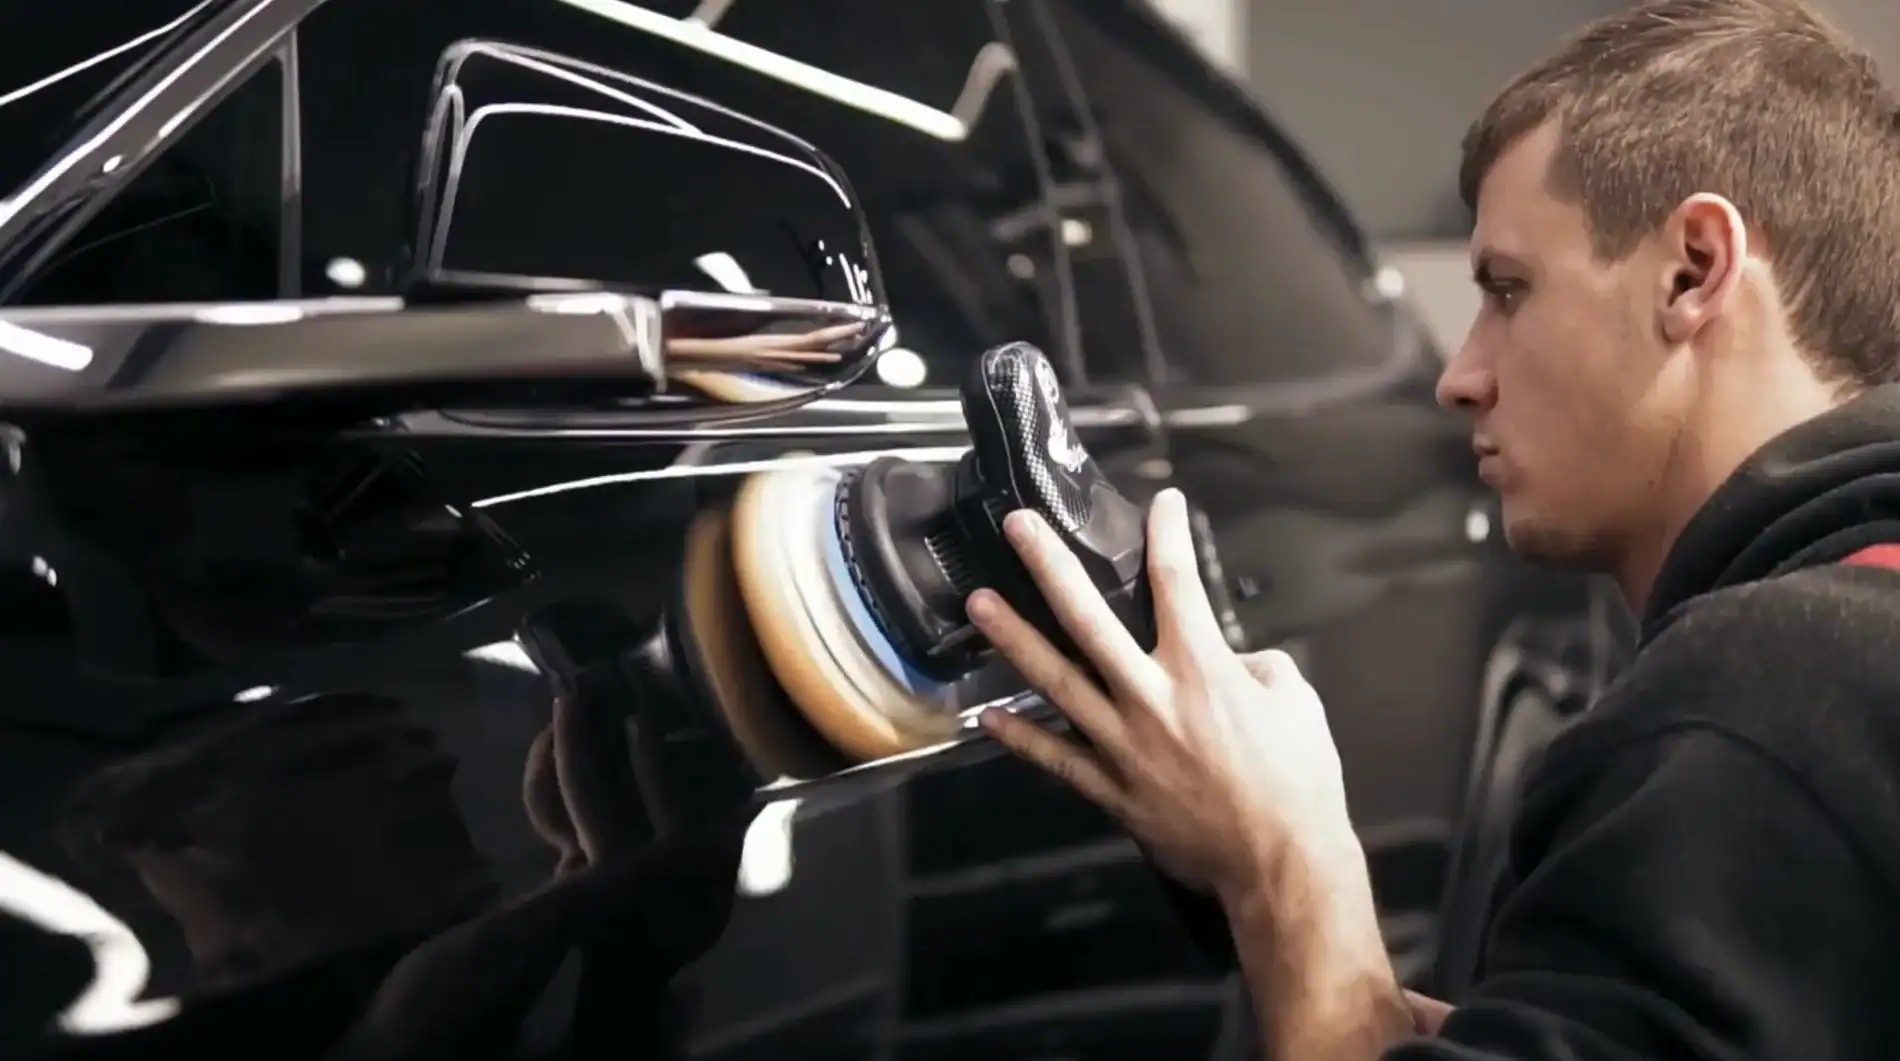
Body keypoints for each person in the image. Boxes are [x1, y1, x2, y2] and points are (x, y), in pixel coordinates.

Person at [965, 0, 1900, 1058]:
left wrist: (1284, 865)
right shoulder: (1850, 659)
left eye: (1509, 289)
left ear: (1694, 267)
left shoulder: (1757, 707)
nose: (1459, 376)